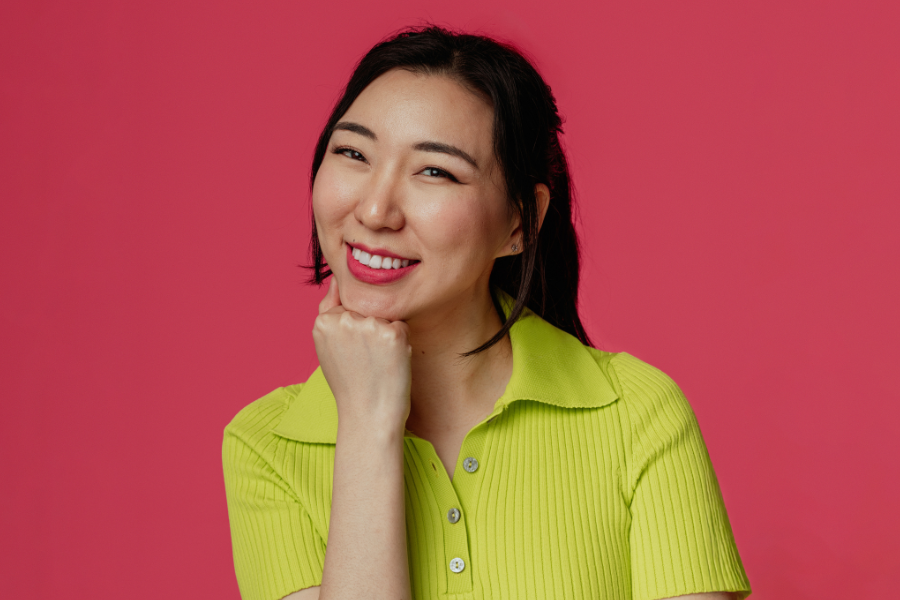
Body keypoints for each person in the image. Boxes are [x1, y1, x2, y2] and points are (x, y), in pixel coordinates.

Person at [222, 26, 751, 600]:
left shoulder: (639, 416)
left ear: (520, 222)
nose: (374, 210)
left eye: (435, 171)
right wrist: (368, 428)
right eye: (352, 153)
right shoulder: (266, 445)